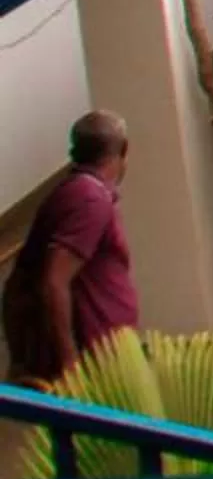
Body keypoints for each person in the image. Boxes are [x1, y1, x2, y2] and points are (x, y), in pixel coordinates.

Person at [3, 114, 136, 382]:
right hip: (92, 360)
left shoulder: (77, 192)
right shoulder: (89, 201)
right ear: (123, 152)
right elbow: (54, 280)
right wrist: (69, 360)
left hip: (107, 350)